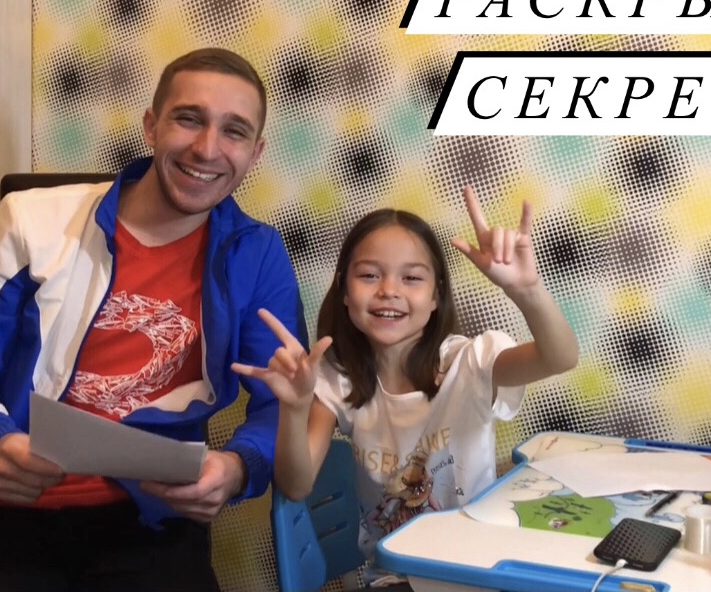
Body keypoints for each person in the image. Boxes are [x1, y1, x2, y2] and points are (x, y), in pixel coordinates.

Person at [0, 48, 306, 592]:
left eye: (233, 131)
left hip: (151, 516)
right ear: (151, 126)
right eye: (189, 119)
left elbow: (282, 402)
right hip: (9, 505)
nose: (207, 148)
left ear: (255, 152)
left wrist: (239, 467)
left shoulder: (256, 254)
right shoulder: (30, 221)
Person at [233, 187, 580, 585]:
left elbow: (559, 358)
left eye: (412, 278)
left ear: (435, 296)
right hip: (396, 579)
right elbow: (296, 486)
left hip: (479, 573)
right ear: (344, 291)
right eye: (369, 275)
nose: (389, 290)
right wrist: (294, 409)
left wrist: (526, 290)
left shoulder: (470, 363)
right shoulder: (335, 379)